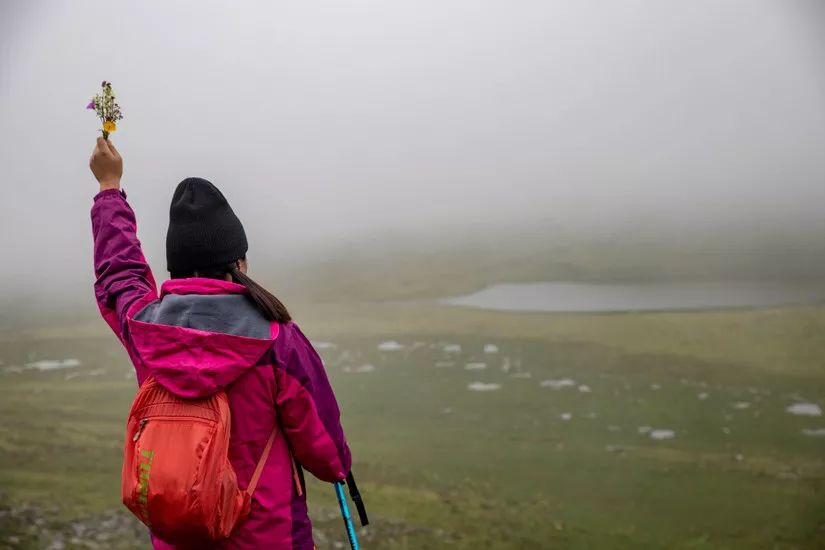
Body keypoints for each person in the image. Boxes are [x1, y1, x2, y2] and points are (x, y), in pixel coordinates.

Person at [89, 137, 351, 550]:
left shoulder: (146, 329)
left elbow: (119, 273)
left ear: (176, 266)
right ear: (239, 263)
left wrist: (109, 188)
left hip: (181, 538)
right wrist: (339, 467)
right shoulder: (276, 339)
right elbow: (324, 451)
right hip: (270, 538)